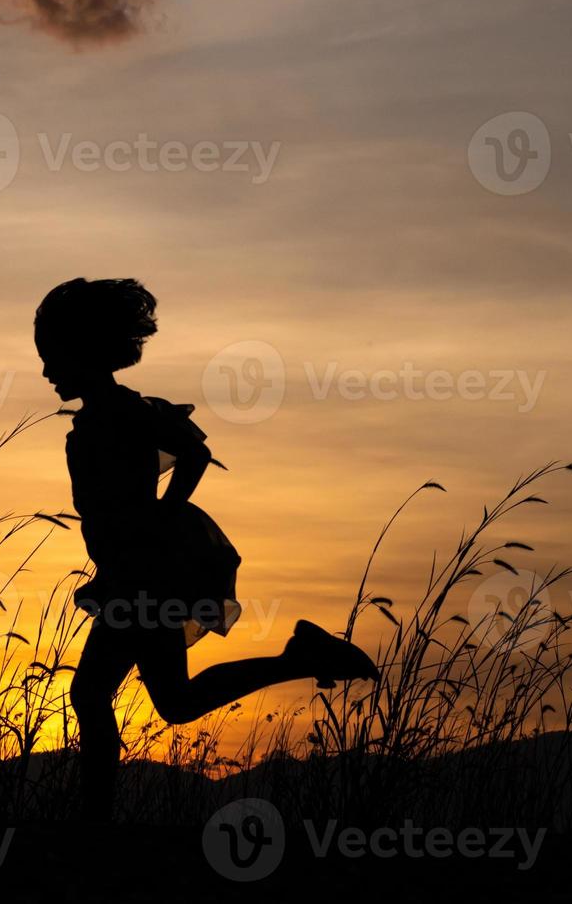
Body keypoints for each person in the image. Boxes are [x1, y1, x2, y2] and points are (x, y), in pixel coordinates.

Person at [34, 277, 378, 822]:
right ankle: (302, 657)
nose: (48, 371)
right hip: (135, 572)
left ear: (85, 353)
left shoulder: (125, 412)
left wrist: (164, 515)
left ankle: (93, 823)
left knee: (93, 694)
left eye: (53, 357)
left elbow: (194, 454)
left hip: (143, 576)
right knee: (172, 701)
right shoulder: (108, 413)